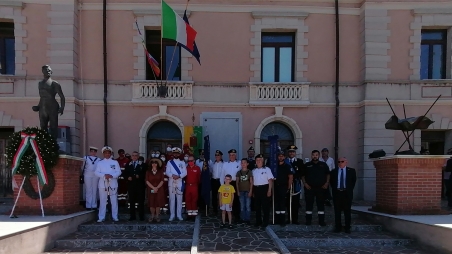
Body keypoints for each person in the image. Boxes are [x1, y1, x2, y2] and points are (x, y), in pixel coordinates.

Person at [32, 65, 65, 140]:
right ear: (43, 72)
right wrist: (38, 106)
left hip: (52, 106)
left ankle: (53, 144)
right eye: (47, 70)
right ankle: (44, 143)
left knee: (53, 127)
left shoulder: (54, 83)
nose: (48, 72)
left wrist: (62, 107)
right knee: (43, 126)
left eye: (50, 71)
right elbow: (42, 97)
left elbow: (62, 97)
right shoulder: (40, 84)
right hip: (43, 106)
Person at [302, 150, 330, 226]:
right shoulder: (307, 165)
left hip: (321, 188)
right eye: (313, 155)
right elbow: (303, 175)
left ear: (319, 156)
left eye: (316, 155)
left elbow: (328, 174)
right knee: (309, 205)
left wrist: (327, 183)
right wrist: (305, 184)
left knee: (320, 205)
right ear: (311, 156)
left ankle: (321, 221)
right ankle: (308, 221)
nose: (315, 156)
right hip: (309, 188)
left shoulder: (323, 165)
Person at [95, 146, 121, 222]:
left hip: (113, 183)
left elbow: (119, 172)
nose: (107, 154)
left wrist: (112, 176)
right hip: (103, 184)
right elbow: (96, 172)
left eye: (108, 153)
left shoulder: (115, 162)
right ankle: (101, 217)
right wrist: (104, 175)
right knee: (103, 201)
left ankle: (115, 216)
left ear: (110, 153)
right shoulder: (100, 163)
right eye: (105, 153)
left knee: (114, 201)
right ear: (103, 154)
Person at [330, 157, 356, 233]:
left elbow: (353, 182)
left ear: (346, 162)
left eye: (342, 161)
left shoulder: (351, 171)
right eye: (339, 162)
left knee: (347, 211)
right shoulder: (334, 171)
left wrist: (348, 190)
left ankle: (347, 227)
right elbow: (332, 182)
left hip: (346, 193)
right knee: (337, 211)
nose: (340, 163)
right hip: (337, 193)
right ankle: (338, 227)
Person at [252, 154, 274, 228]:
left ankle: (265, 222)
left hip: (265, 188)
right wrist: (252, 191)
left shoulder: (267, 169)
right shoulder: (253, 170)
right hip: (256, 189)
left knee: (265, 207)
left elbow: (270, 180)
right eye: (257, 160)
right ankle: (258, 221)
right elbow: (252, 182)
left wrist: (269, 190)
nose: (258, 161)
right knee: (257, 207)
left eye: (260, 160)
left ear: (263, 161)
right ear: (255, 161)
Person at [165, 147, 187, 221]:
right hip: (171, 182)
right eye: (174, 153)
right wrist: (172, 176)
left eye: (177, 153)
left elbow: (185, 172)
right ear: (173, 154)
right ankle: (172, 215)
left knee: (179, 200)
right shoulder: (169, 162)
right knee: (172, 199)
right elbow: (167, 172)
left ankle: (179, 215)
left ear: (179, 154)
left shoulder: (183, 162)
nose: (176, 154)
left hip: (179, 182)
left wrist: (179, 176)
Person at [124, 151, 146, 221]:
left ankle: (141, 216)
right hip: (131, 185)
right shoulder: (128, 164)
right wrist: (127, 177)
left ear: (138, 156)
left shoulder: (142, 164)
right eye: (133, 155)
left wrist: (139, 176)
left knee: (141, 201)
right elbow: (124, 173)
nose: (134, 157)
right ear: (131, 157)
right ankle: (132, 216)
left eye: (136, 155)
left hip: (140, 185)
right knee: (131, 201)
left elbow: (145, 174)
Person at [286, 145, 305, 225]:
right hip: (287, 183)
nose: (291, 153)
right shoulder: (285, 161)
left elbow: (302, 172)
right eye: (290, 152)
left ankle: (295, 219)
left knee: (295, 203)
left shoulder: (299, 161)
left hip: (296, 184)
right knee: (287, 202)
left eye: (293, 152)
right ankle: (288, 218)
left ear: (295, 153)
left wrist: (295, 176)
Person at [221, 149, 241, 221]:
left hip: (235, 183)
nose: (231, 156)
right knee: (226, 200)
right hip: (227, 184)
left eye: (233, 155)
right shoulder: (225, 164)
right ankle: (226, 216)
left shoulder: (239, 163)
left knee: (235, 200)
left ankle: (236, 216)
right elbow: (222, 175)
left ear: (235, 155)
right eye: (230, 155)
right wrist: (222, 186)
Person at [274, 151, 293, 227]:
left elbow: (290, 177)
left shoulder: (287, 166)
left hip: (283, 186)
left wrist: (288, 187)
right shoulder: (275, 166)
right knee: (276, 203)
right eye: (279, 156)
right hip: (276, 186)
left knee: (282, 204)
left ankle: (282, 220)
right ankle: (277, 219)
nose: (280, 157)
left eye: (282, 156)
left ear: (284, 157)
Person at [146, 158, 165, 222]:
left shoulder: (160, 172)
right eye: (153, 163)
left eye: (155, 163)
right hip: (151, 189)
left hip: (159, 189)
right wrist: (153, 188)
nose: (154, 164)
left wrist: (157, 187)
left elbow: (162, 180)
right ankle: (152, 215)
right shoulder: (148, 172)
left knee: (158, 202)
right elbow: (147, 181)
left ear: (157, 164)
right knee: (151, 202)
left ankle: (157, 216)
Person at [82, 146, 100, 211]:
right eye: (92, 151)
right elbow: (83, 167)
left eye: (94, 151)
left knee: (94, 190)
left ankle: (94, 204)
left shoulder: (98, 159)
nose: (93, 153)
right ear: (90, 151)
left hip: (95, 176)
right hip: (87, 175)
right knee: (88, 190)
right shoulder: (85, 158)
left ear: (96, 152)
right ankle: (88, 205)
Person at [236, 158, 253, 225]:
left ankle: (247, 219)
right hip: (241, 191)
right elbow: (237, 182)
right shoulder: (239, 172)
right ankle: (242, 218)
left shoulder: (249, 172)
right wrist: (238, 191)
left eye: (244, 163)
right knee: (242, 206)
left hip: (247, 191)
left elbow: (251, 182)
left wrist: (251, 191)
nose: (243, 164)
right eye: (242, 163)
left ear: (247, 164)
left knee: (248, 206)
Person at [186, 155, 201, 221]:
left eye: (191, 161)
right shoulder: (186, 168)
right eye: (189, 161)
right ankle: (189, 215)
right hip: (188, 186)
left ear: (194, 161)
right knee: (188, 200)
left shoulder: (197, 168)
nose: (190, 162)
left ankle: (194, 214)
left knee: (194, 200)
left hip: (195, 186)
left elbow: (199, 178)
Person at [210, 150, 223, 214]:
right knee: (214, 196)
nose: (217, 156)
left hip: (220, 181)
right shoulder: (212, 164)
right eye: (216, 155)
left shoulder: (224, 164)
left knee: (221, 195)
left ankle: (222, 209)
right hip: (214, 181)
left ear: (221, 156)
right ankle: (215, 210)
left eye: (218, 155)